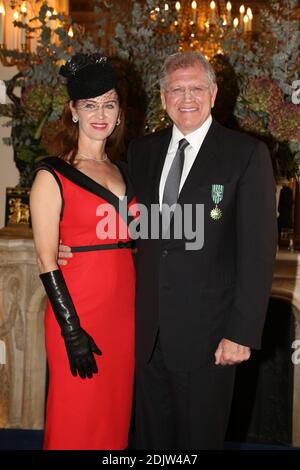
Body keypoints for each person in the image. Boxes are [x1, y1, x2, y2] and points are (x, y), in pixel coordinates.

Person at [59, 51, 277, 449]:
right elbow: (127, 223)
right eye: (177, 89)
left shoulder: (246, 155)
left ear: (213, 93)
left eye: (196, 88)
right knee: (151, 442)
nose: (187, 97)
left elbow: (258, 253)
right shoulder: (142, 151)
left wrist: (241, 333)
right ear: (163, 98)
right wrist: (67, 244)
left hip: (210, 336)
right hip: (147, 333)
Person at [30, 53, 136, 450]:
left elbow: (146, 234)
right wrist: (71, 331)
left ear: (120, 112)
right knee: (76, 415)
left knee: (114, 417)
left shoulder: (126, 171)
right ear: (73, 111)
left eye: (109, 103)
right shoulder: (51, 174)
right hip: (77, 312)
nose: (100, 113)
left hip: (124, 314)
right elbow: (45, 260)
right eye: (89, 105)